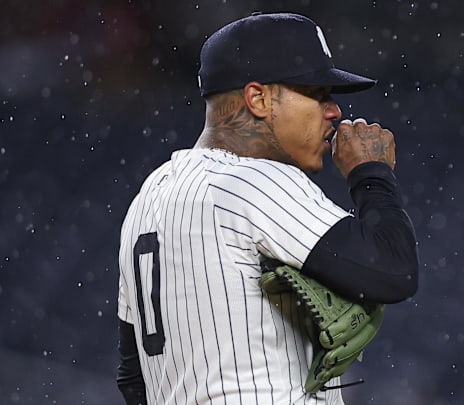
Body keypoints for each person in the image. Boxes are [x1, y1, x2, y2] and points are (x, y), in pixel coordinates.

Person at [115, 11, 419, 405]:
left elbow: (132, 378)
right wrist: (371, 173)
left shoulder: (148, 197)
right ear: (257, 98)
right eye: (317, 94)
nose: (334, 112)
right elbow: (394, 269)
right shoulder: (252, 180)